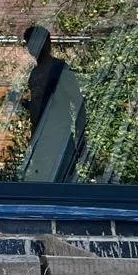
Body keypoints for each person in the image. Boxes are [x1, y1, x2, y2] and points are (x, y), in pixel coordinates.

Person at [19, 25, 86, 182]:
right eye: (30, 43)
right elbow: (42, 105)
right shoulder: (35, 72)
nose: (33, 47)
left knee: (59, 183)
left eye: (37, 42)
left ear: (47, 43)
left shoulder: (59, 69)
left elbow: (77, 101)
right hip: (40, 139)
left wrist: (81, 138)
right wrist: (26, 104)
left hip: (58, 139)